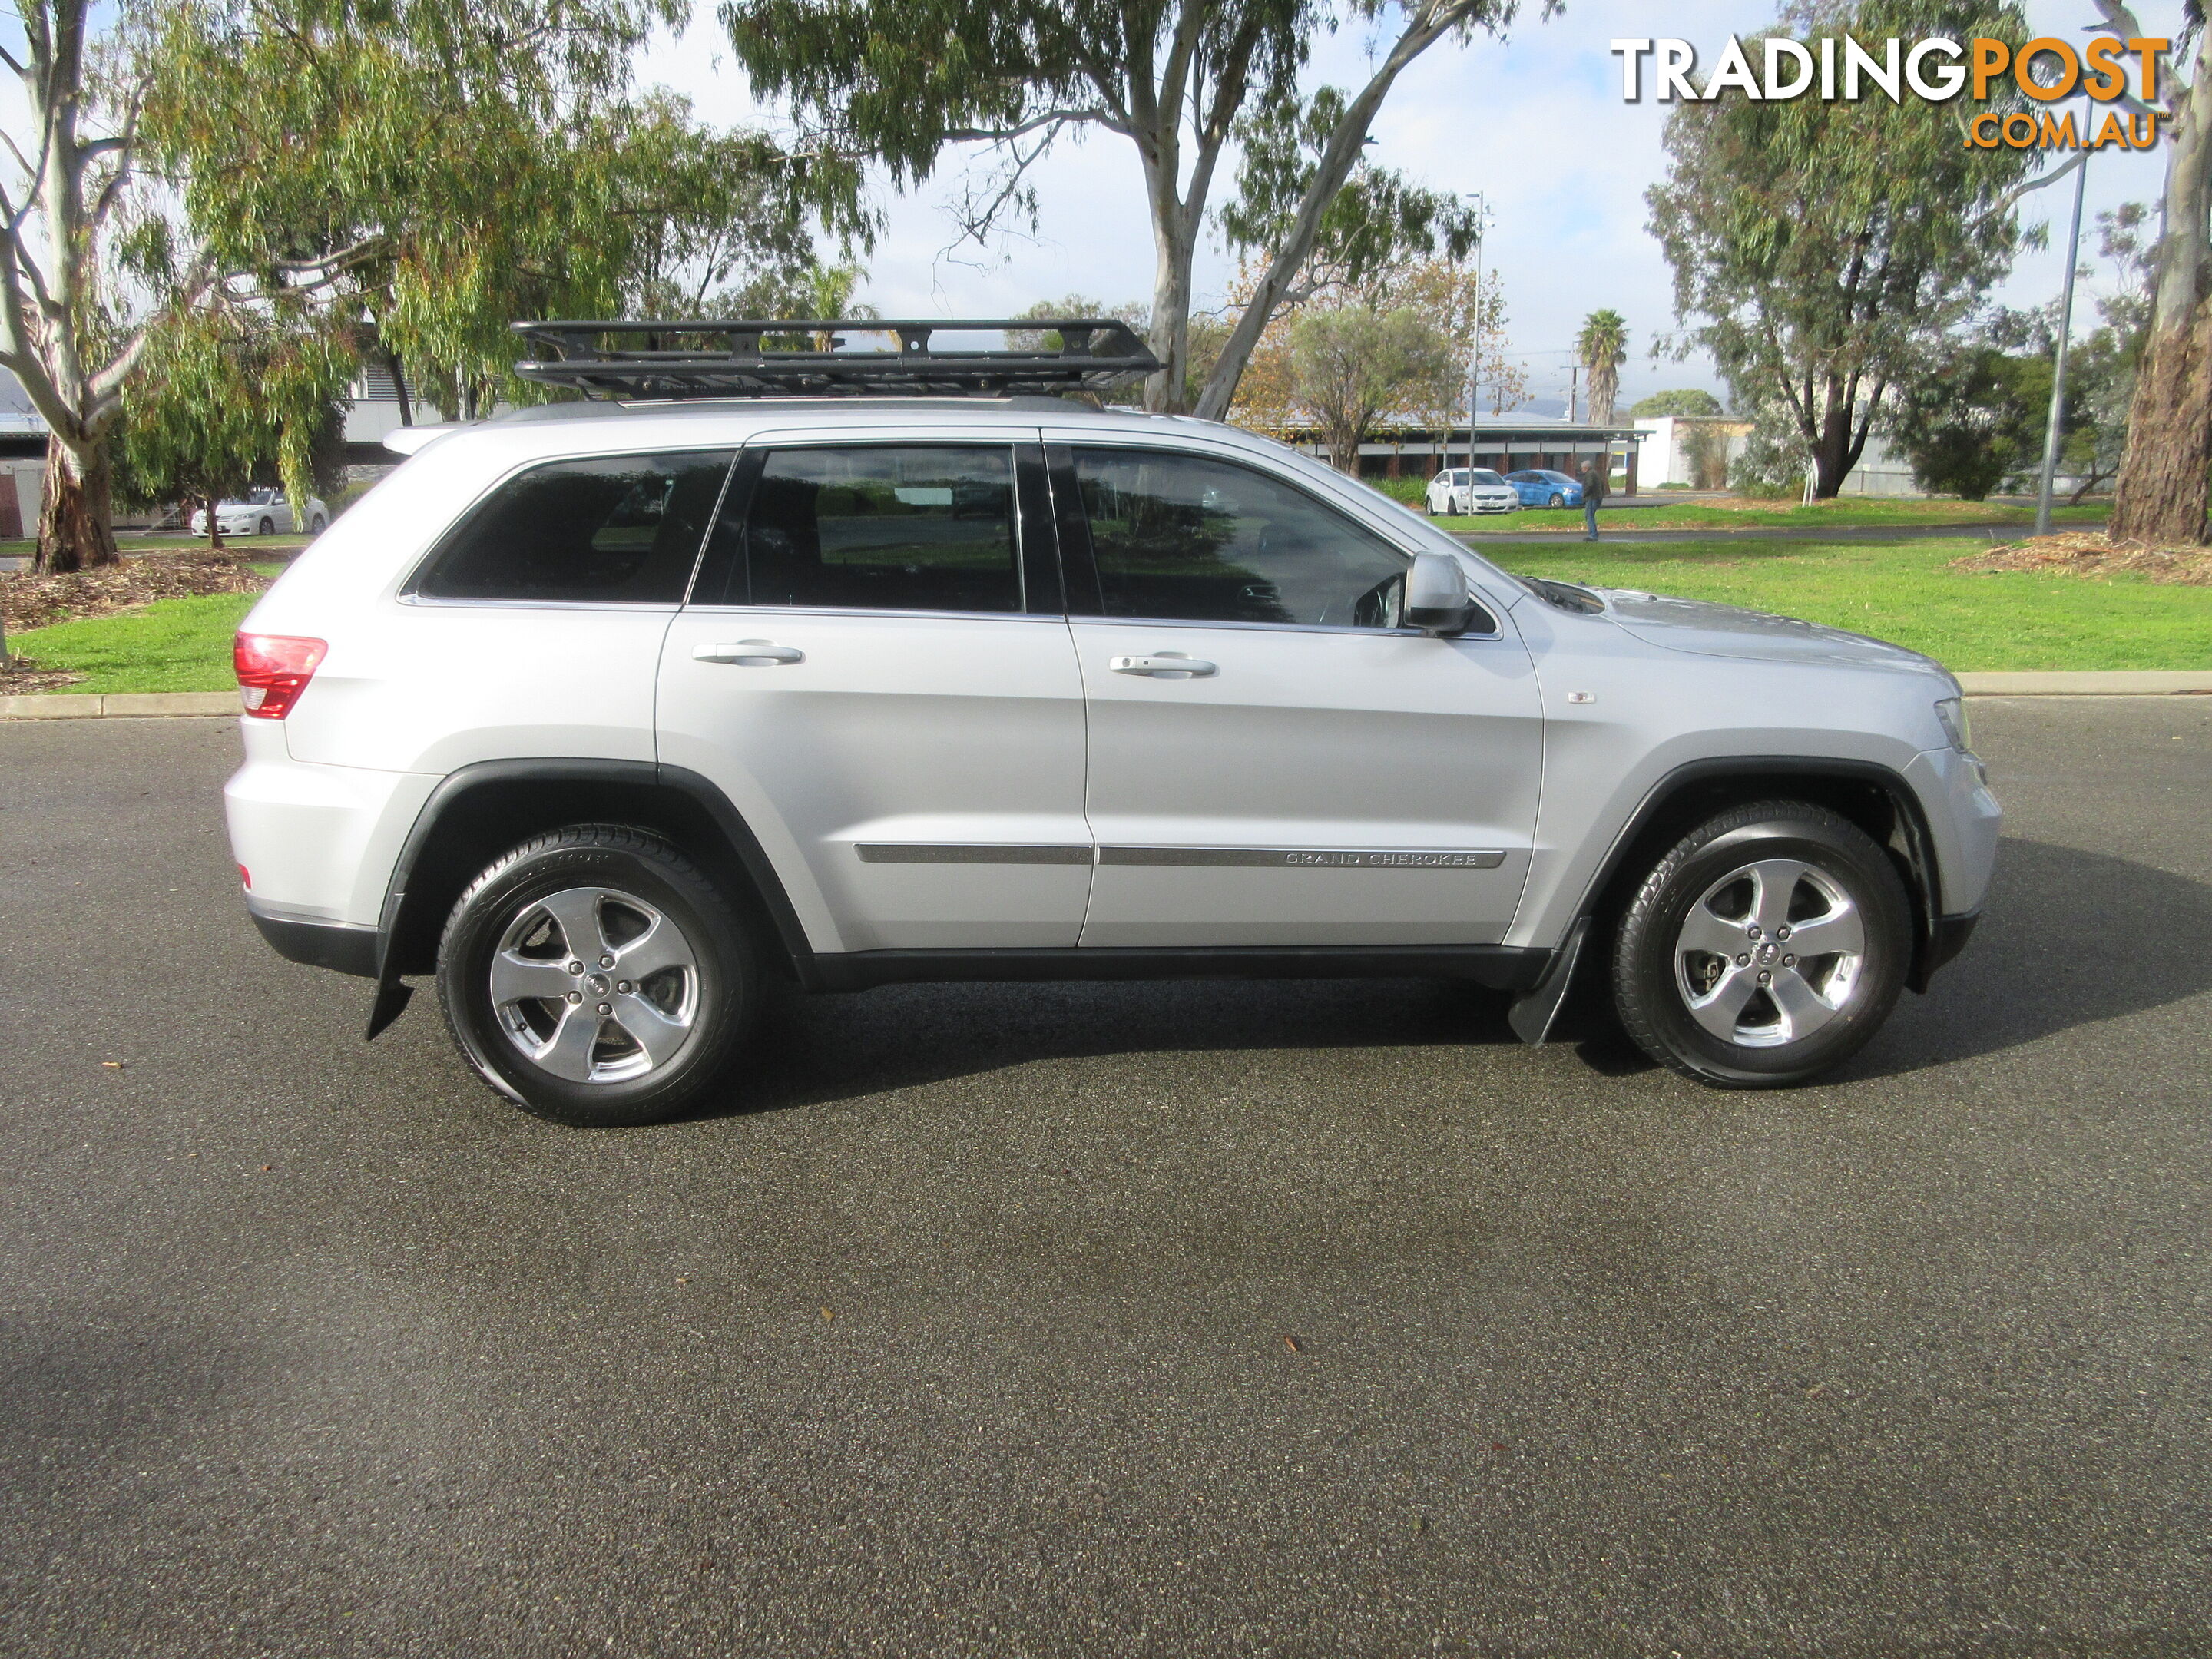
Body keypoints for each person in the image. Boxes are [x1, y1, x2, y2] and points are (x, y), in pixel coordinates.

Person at [1578, 451, 1609, 541]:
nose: (1582, 470)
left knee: (1589, 516)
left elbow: (1590, 485)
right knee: (1590, 515)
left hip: (1592, 498)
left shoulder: (1590, 474)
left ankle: (1593, 535)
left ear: (1586, 467)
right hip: (1597, 497)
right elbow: (1602, 484)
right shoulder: (1595, 473)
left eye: (1583, 468)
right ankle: (1594, 533)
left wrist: (1584, 494)